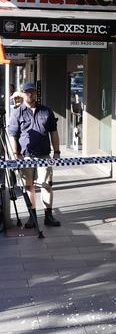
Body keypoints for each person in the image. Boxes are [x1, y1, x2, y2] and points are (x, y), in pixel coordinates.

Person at [7, 81, 61, 227]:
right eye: (27, 92)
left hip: (44, 154)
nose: (30, 94)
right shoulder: (17, 112)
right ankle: (32, 217)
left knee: (47, 185)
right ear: (23, 94)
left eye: (32, 91)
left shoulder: (46, 111)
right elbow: (13, 135)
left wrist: (57, 151)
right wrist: (15, 153)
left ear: (36, 93)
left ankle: (48, 216)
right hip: (25, 155)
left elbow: (53, 132)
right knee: (29, 186)